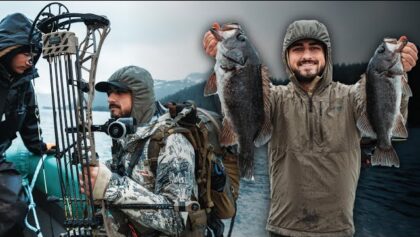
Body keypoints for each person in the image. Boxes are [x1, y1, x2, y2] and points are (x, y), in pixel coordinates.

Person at [203, 20, 418, 237]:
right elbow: (239, 104)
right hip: (282, 229)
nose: (307, 55)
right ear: (287, 57)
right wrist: (224, 52)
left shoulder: (352, 96)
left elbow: (382, 111)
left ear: (327, 54)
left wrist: (400, 74)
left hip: (338, 230)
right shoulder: (274, 99)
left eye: (315, 48)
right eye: (298, 49)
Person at [80, 65, 205, 237]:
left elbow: (176, 220)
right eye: (109, 92)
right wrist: (100, 171)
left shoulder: (172, 142)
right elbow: (129, 170)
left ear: (139, 96)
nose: (110, 98)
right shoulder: (127, 134)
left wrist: (111, 186)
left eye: (119, 92)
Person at [0, 13, 55, 236]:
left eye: (33, 53)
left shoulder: (25, 87)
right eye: (25, 53)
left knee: (13, 207)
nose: (30, 59)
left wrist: (39, 147)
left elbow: (29, 123)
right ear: (9, 50)